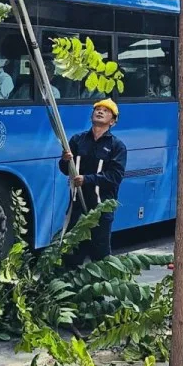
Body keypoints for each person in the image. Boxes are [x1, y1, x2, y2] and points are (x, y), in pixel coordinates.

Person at [59, 99, 127, 266]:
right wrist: (65, 160)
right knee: (71, 257)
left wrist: (86, 179)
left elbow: (115, 177)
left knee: (100, 259)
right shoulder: (77, 140)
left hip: (100, 211)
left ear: (112, 121)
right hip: (77, 209)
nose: (100, 112)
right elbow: (64, 169)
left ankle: (99, 292)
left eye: (106, 110)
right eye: (97, 109)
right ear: (91, 116)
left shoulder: (116, 146)